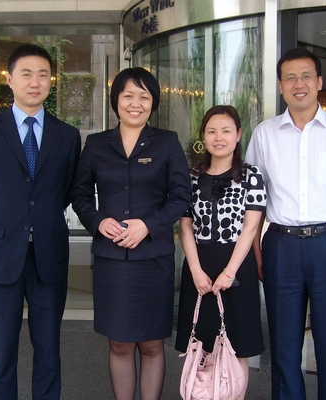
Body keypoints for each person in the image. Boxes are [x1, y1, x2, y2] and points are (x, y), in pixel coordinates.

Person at [245, 48, 326, 400]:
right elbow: (254, 201)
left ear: (319, 82)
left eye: (305, 76)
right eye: (290, 77)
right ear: (280, 86)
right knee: (284, 344)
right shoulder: (264, 134)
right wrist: (256, 250)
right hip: (281, 246)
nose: (298, 84)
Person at [0, 43, 81, 400]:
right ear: (10, 80)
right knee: (1, 355)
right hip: (2, 257)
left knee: (49, 352)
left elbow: (65, 191)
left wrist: (37, 222)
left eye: (43, 75)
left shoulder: (67, 135)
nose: (35, 82)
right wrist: (4, 226)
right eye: (26, 74)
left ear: (51, 82)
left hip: (49, 257)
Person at [71, 67, 192, 400]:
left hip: (153, 259)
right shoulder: (96, 144)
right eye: (128, 95)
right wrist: (98, 221)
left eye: (144, 96)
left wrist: (148, 225)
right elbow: (79, 194)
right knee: (120, 343)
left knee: (152, 343)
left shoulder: (167, 142)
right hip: (111, 259)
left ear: (153, 102)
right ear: (116, 100)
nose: (135, 103)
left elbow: (181, 195)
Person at [174, 105, 266, 398]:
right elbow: (185, 226)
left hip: (237, 267)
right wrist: (195, 270)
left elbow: (250, 228)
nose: (219, 137)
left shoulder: (251, 175)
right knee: (200, 342)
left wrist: (229, 272)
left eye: (226, 131)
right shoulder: (190, 176)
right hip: (199, 265)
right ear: (203, 135)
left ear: (238, 135)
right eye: (212, 131)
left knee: (237, 344)